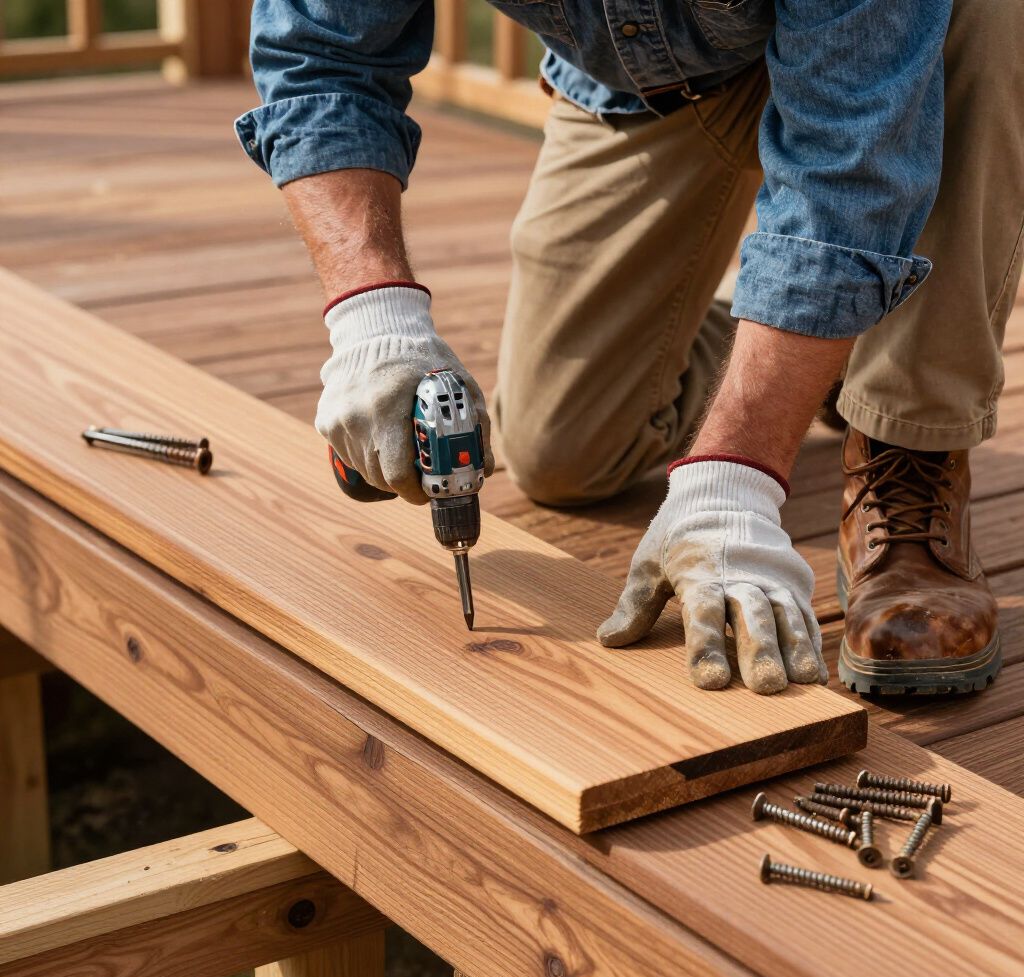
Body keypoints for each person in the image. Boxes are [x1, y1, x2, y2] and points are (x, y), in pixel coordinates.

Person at [236, 1, 1023, 696]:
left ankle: (907, 437)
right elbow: (321, 54)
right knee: (561, 452)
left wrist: (734, 480)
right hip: (645, 83)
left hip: (888, 69)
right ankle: (833, 345)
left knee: (983, 17)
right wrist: (373, 317)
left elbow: (853, 163)